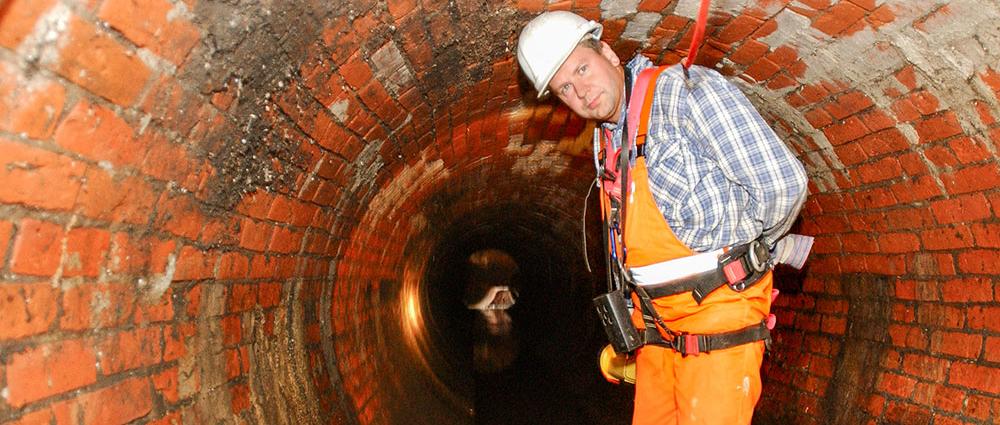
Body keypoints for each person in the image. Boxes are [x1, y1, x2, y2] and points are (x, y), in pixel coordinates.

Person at [516, 11, 810, 425]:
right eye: (565, 87)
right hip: (656, 332)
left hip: (718, 321)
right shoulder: (607, 138)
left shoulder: (685, 92)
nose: (580, 92)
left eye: (582, 69)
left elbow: (783, 184)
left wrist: (753, 252)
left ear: (608, 53)